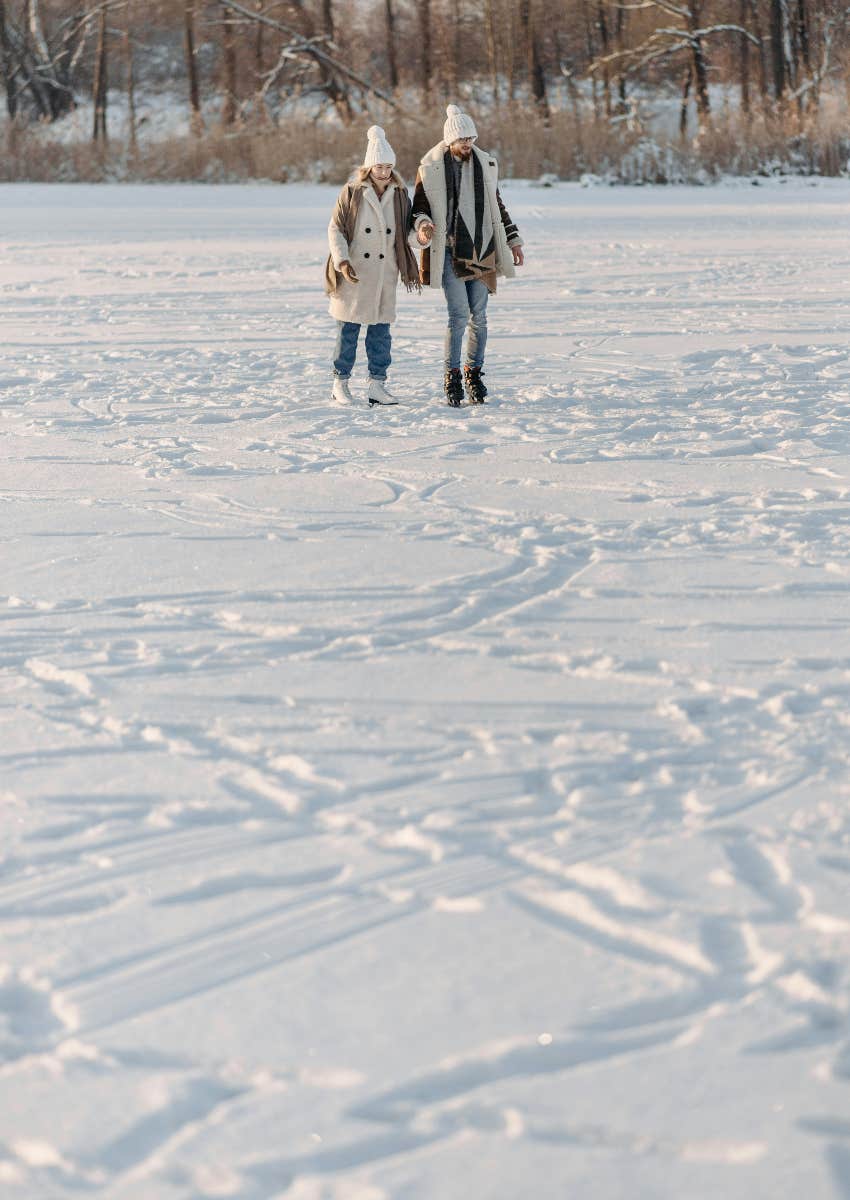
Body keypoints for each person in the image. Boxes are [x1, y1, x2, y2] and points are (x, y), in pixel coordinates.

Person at [412, 104, 524, 407]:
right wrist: (423, 226)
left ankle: (473, 373)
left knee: (480, 317)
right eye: (463, 140)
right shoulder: (430, 168)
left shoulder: (486, 165)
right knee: (458, 315)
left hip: (483, 249)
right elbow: (418, 207)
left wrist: (513, 240)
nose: (468, 144)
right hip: (449, 252)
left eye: (471, 139)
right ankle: (451, 376)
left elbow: (497, 206)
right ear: (450, 141)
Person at [325, 125, 420, 406]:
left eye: (389, 166)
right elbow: (335, 229)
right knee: (348, 332)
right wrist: (342, 260)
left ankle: (377, 385)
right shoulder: (352, 192)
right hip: (354, 273)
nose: (384, 172)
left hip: (384, 274)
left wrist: (422, 236)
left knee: (380, 335)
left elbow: (406, 234)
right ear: (369, 167)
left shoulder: (401, 194)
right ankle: (339, 383)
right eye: (379, 166)